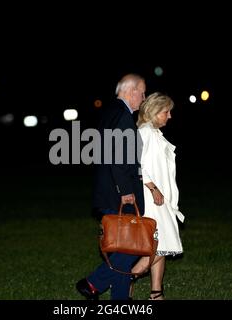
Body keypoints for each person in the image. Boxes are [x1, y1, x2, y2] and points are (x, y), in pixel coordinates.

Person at [76, 73, 146, 300]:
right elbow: (117, 158)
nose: (144, 98)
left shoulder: (110, 112)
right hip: (117, 195)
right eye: (142, 92)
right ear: (131, 90)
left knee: (124, 249)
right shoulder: (122, 116)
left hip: (106, 191)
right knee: (128, 249)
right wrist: (126, 191)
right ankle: (92, 283)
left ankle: (120, 300)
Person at [129, 92, 185, 300]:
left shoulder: (154, 133)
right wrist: (153, 188)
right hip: (152, 199)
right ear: (153, 112)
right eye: (166, 112)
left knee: (161, 245)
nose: (169, 116)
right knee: (157, 248)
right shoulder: (144, 133)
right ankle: (125, 279)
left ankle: (156, 293)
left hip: (161, 200)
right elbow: (136, 166)